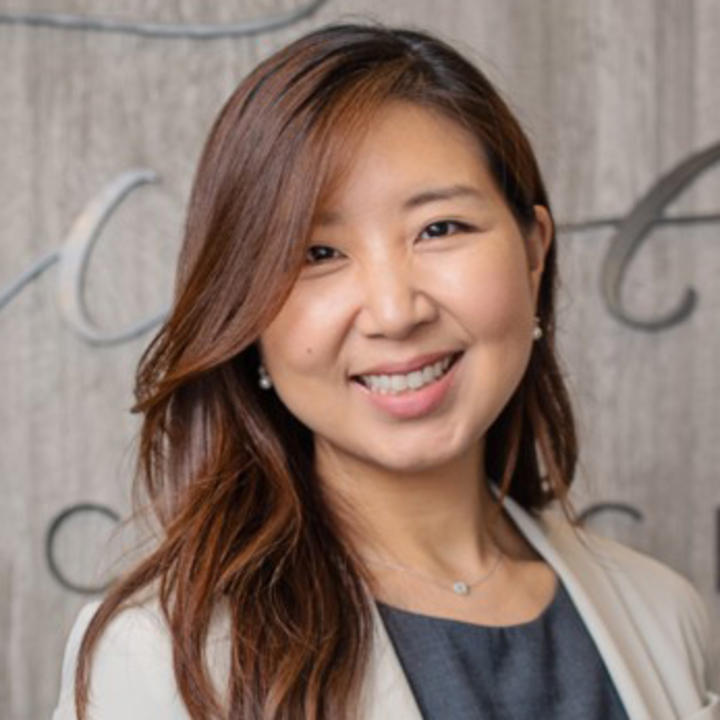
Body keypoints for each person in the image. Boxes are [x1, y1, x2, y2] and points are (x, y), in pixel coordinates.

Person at [52, 23, 718, 720]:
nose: (395, 313)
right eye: (317, 254)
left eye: (440, 228)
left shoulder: (664, 616)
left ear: (533, 251)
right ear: (245, 313)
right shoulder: (161, 658)